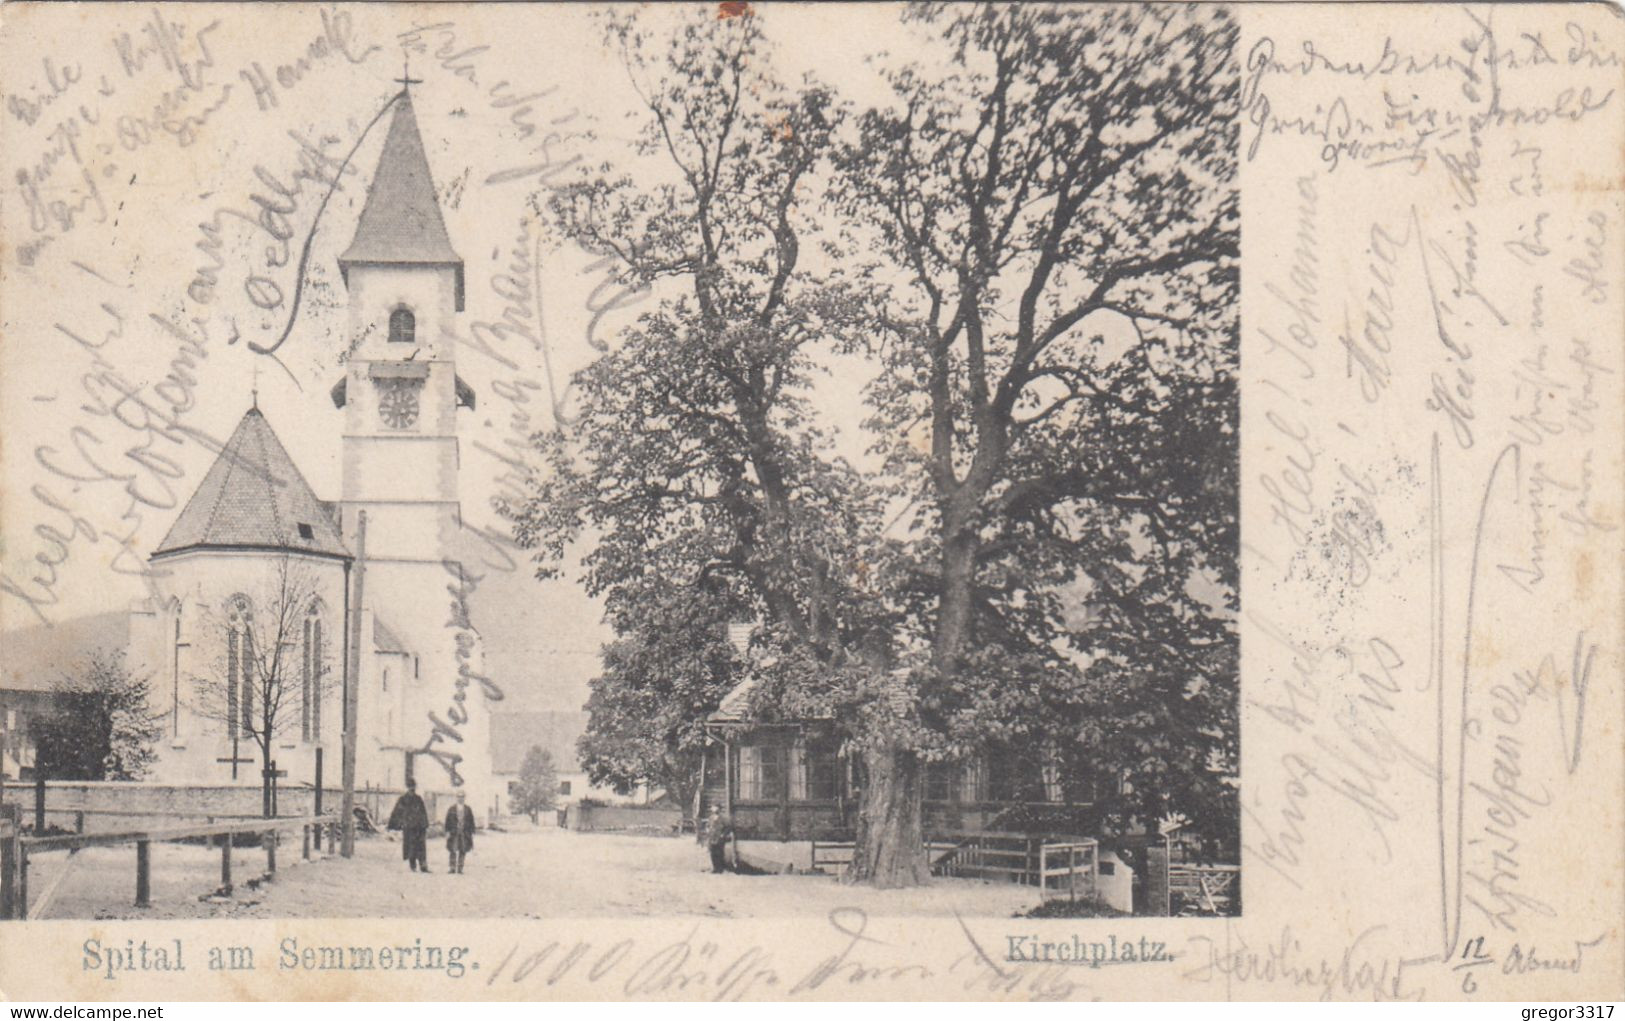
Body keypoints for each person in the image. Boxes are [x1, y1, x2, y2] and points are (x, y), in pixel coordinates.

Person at [386, 779, 430, 873]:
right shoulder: (402, 799)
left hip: (419, 827)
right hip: (409, 827)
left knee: (421, 846)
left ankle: (423, 865)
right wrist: (393, 825)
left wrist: (425, 824)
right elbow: (397, 812)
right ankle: (412, 865)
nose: (412, 789)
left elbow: (423, 812)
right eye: (410, 787)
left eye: (413, 787)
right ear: (408, 787)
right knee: (411, 846)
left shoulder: (419, 799)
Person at [445, 790, 476, 874]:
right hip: (454, 832)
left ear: (464, 798)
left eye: (462, 797)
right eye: (459, 796)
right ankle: (452, 867)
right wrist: (447, 831)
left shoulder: (468, 809)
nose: (460, 798)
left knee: (463, 849)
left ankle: (460, 868)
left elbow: (471, 821)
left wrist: (472, 831)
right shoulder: (451, 809)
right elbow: (447, 821)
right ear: (456, 798)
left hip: (464, 832)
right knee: (453, 849)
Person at [703, 805, 733, 874]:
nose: (713, 809)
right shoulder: (711, 817)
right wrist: (707, 829)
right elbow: (708, 825)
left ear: (718, 809)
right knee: (713, 853)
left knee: (719, 853)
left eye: (715, 807)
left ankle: (720, 869)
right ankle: (715, 868)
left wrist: (723, 834)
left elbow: (728, 827)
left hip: (719, 838)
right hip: (712, 837)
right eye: (712, 808)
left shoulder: (723, 818)